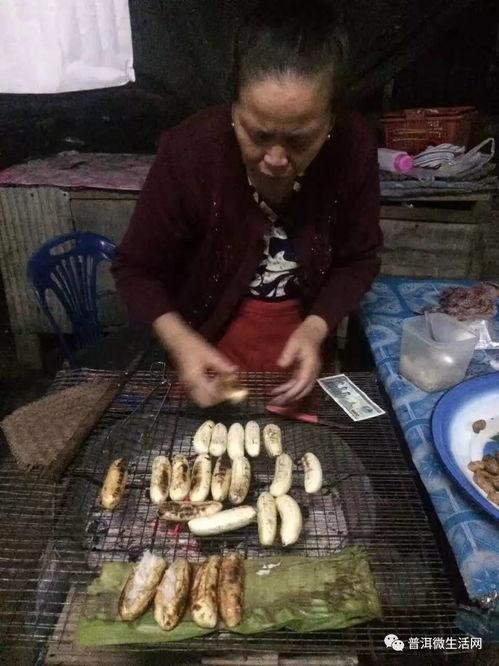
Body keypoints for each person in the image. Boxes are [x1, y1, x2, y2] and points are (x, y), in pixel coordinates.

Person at [112, 0, 382, 408]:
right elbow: (135, 271)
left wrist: (315, 328)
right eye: (258, 135)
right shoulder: (190, 151)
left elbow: (359, 260)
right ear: (234, 109)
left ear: (330, 122)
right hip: (204, 350)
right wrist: (182, 344)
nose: (275, 160)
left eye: (299, 140)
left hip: (301, 356)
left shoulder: (353, 148)